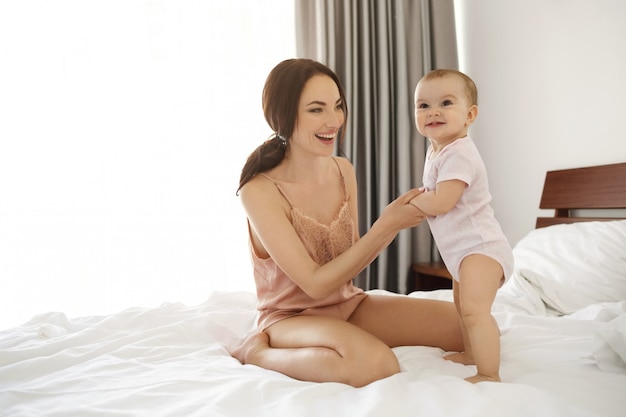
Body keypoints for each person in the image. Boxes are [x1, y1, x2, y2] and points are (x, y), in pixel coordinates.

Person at [230, 58, 464, 388]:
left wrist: (395, 223)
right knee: (374, 364)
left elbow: (348, 266)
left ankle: (343, 336)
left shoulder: (343, 170)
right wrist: (387, 226)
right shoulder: (258, 191)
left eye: (338, 106)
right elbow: (314, 284)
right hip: (290, 319)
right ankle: (258, 354)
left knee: (468, 324)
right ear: (282, 116)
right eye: (316, 109)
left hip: (349, 304)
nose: (334, 121)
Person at [407, 69, 513, 383]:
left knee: (474, 311)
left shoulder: (460, 154)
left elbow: (441, 202)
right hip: (461, 252)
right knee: (461, 306)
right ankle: (471, 352)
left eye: (446, 103)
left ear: (470, 115)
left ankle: (489, 373)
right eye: (423, 106)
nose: (433, 111)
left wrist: (412, 201)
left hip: (482, 249)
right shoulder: (437, 150)